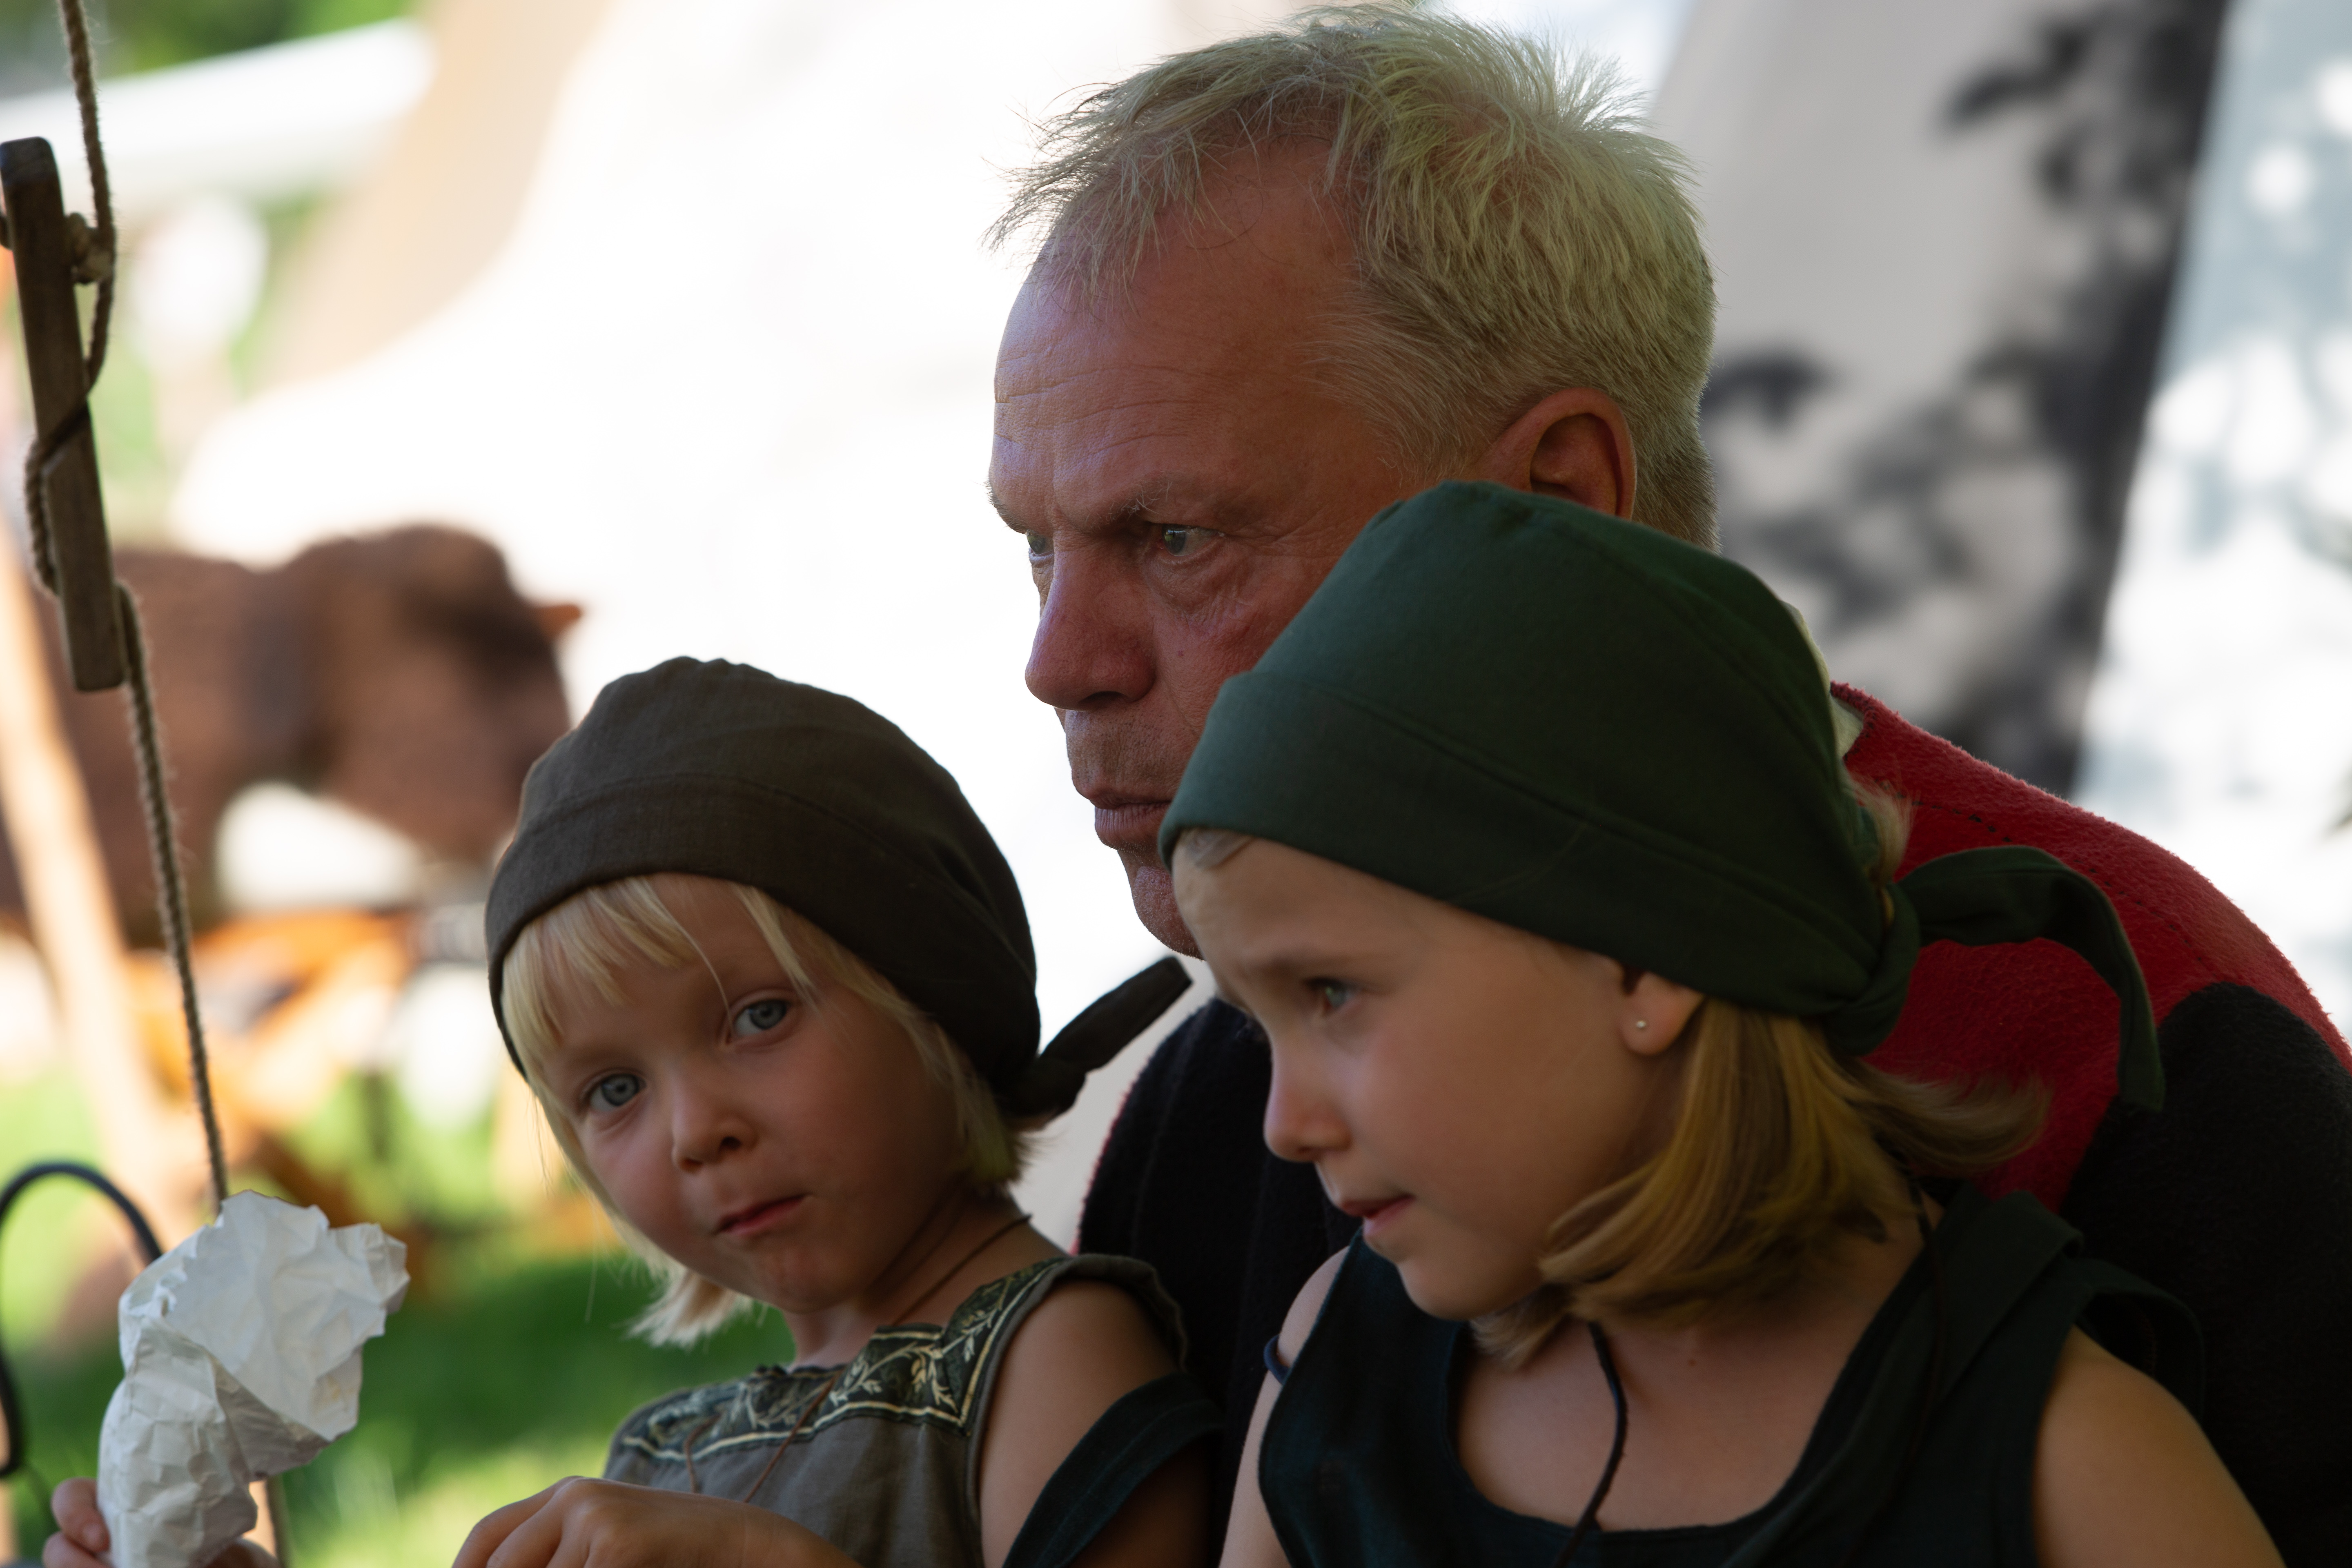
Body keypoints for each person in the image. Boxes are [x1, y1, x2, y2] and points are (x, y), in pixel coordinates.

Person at [985, 6, 2352, 1561]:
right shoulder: (1218, 1108)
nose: (1061, 661)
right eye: (1036, 549)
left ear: (1563, 501)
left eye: (1176, 537)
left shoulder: (2141, 1050)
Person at [1166, 480, 2281, 1566]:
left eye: (1333, 995)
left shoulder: (2063, 1463)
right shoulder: (1336, 1374)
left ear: (1645, 964)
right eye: (1263, 1029)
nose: (1284, 1125)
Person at [45, 658, 1212, 1568]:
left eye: (757, 1017)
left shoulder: (1045, 1355)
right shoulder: (670, 1455)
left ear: (933, 996)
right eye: (612, 1091)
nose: (695, 1129)